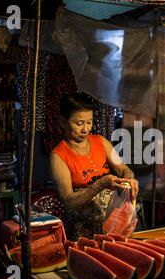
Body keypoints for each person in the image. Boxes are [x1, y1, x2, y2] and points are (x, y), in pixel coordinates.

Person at [50, 93, 139, 241]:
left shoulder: (101, 142)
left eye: (89, 122)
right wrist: (100, 184)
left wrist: (129, 181)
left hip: (114, 226)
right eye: (79, 124)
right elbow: (69, 201)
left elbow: (124, 169)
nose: (85, 129)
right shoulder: (58, 156)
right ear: (62, 121)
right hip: (84, 232)